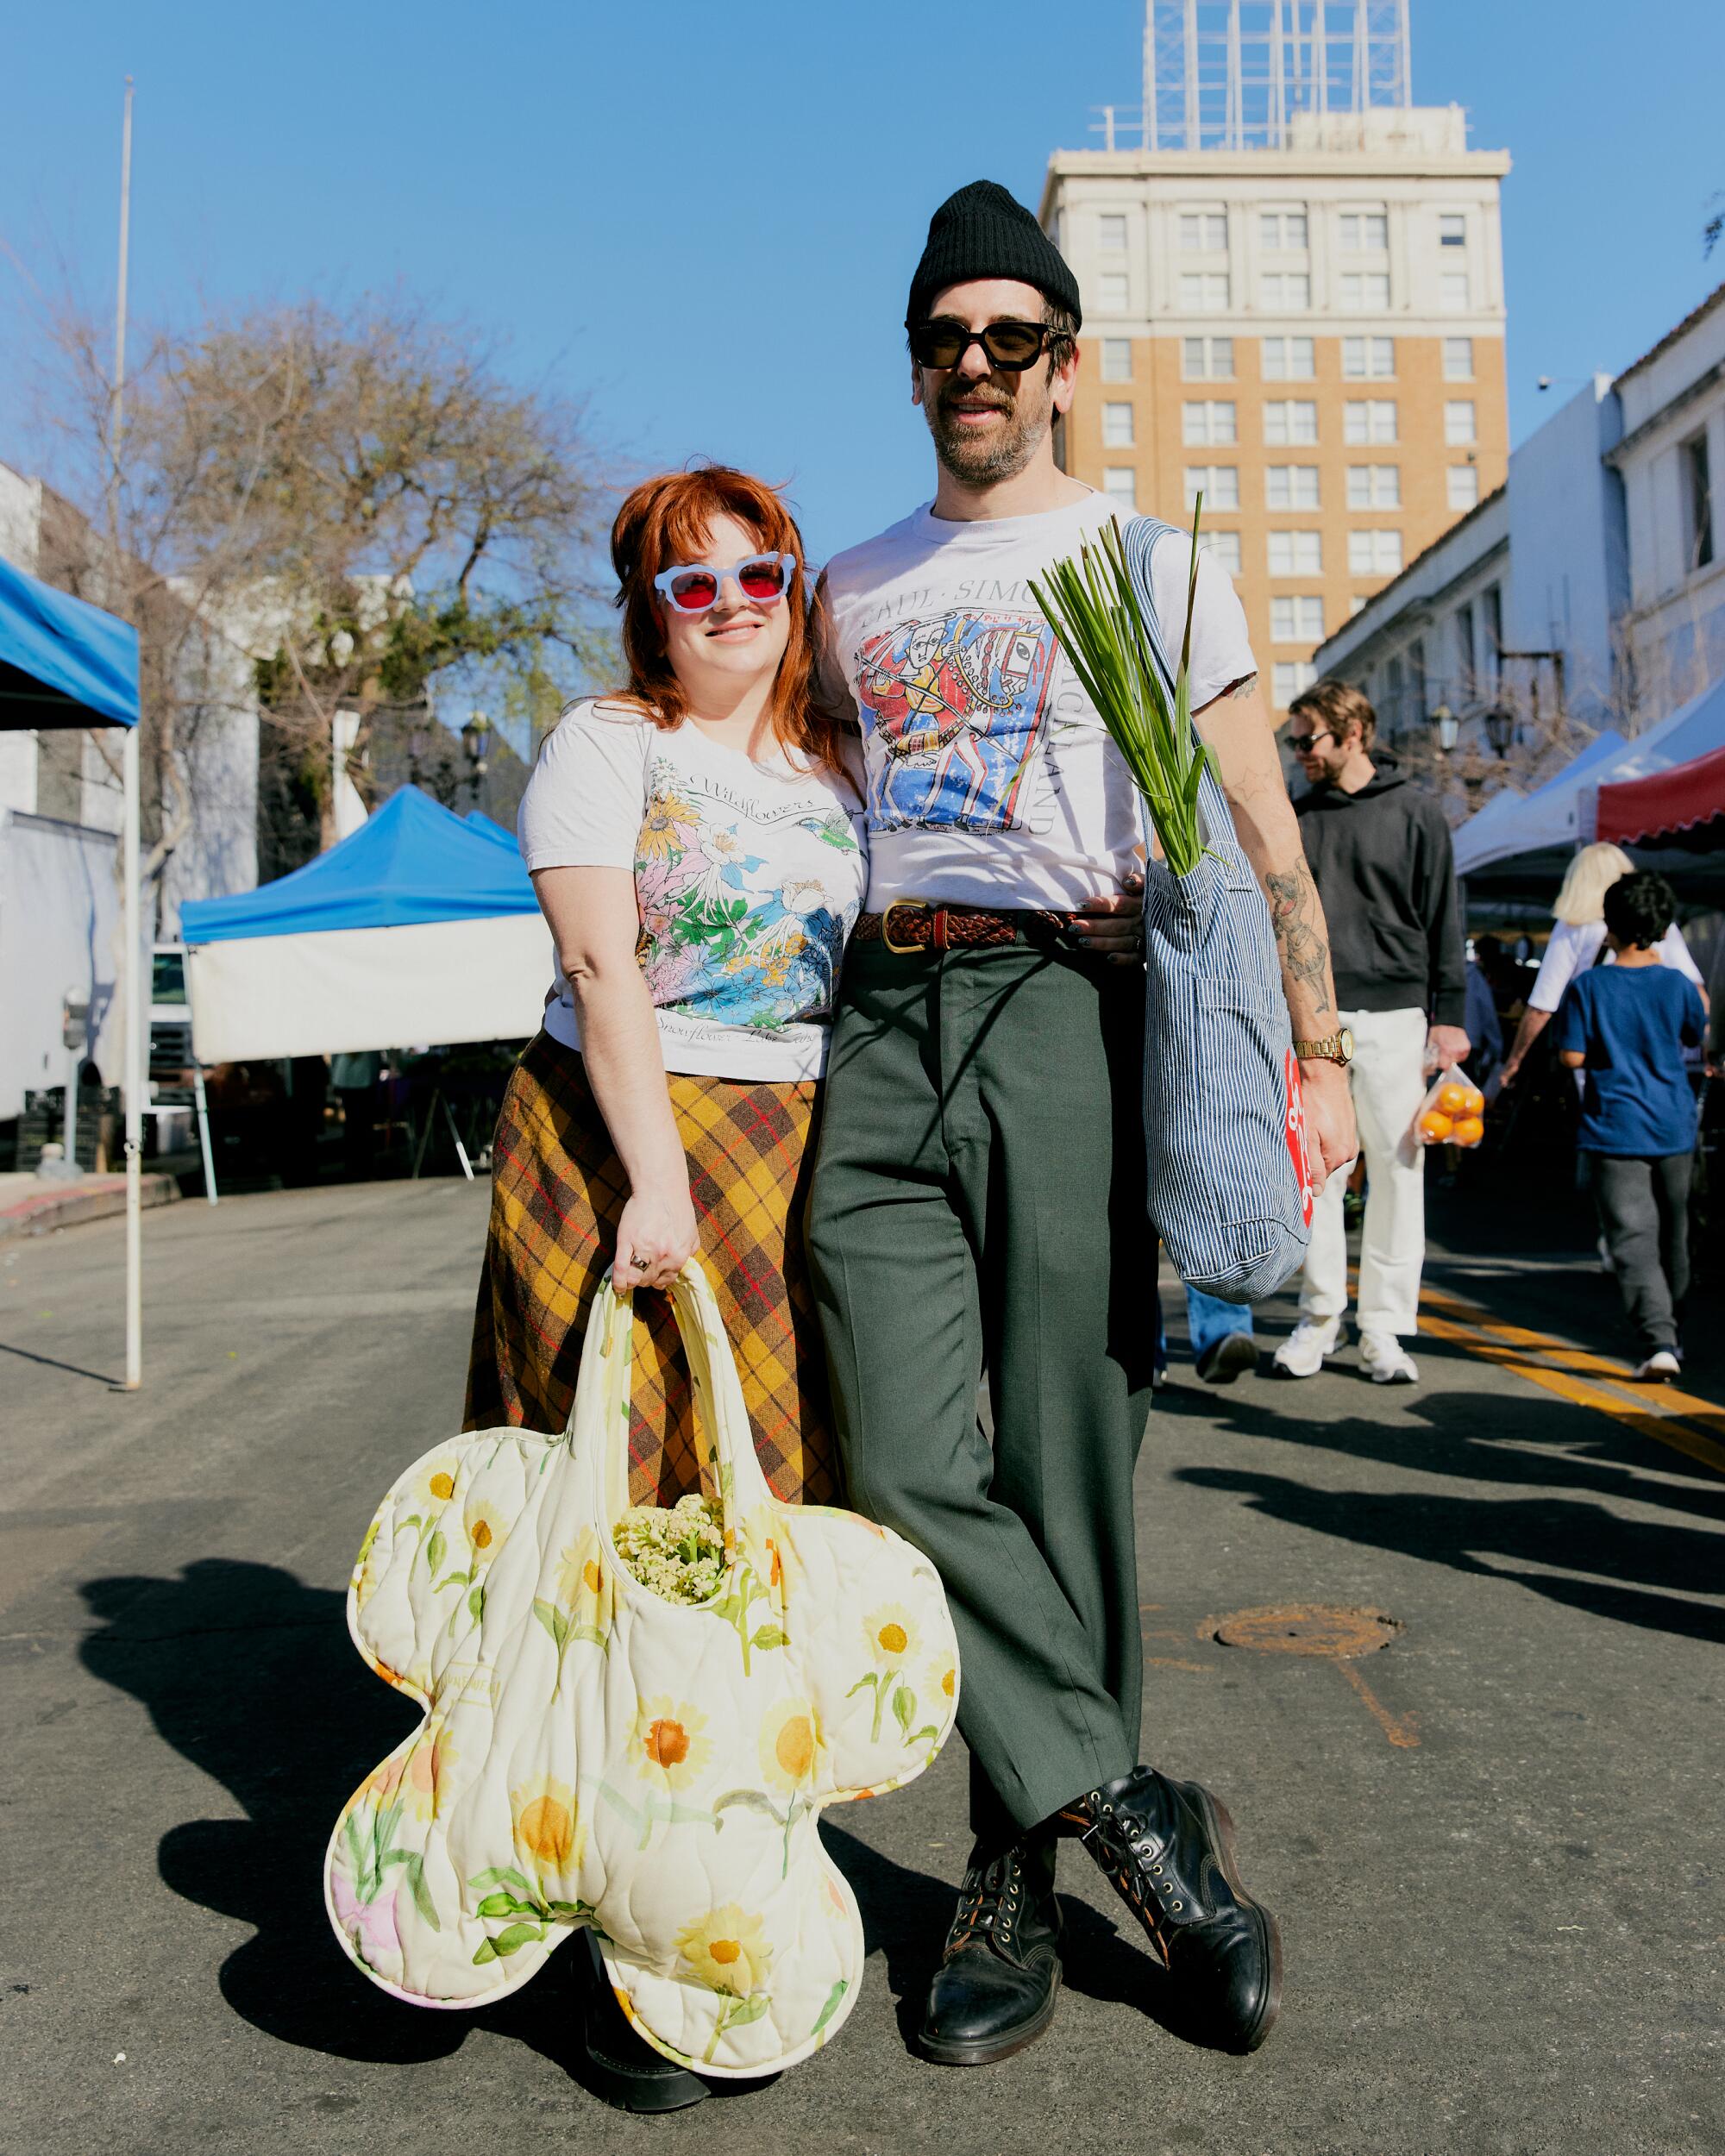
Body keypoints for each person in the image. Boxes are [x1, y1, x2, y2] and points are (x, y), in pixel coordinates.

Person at [806, 178, 1357, 2070]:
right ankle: (1132, 1805)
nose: (974, 365)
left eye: (1008, 338)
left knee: (1062, 1451)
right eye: (943, 340)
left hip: (1066, 1000)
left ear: (1060, 363)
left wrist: (1317, 1051)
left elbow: (1259, 821)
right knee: (883, 1445)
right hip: (881, 1012)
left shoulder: (1147, 559)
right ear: (913, 367)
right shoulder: (851, 586)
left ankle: (1013, 1869)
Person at [464, 465, 865, 2113]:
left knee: (749, 1513)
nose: (732, 607)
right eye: (691, 585)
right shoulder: (602, 747)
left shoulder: (840, 760)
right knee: (606, 1517)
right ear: (650, 606)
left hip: (790, 1139)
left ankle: (718, 1889)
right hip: (615, 1131)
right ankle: (593, 1932)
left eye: (758, 572)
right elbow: (601, 964)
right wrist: (652, 1179)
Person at [1272, 680, 1467, 1387]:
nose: (1299, 754)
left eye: (1308, 740)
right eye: (1294, 742)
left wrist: (1451, 1020)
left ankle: (1384, 1327)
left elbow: (1447, 918)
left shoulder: (1417, 813)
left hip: (1394, 1016)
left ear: (1354, 732)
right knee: (1318, 1172)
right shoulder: (1293, 819)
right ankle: (1319, 1316)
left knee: (1398, 1172)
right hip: (1314, 1018)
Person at [1554, 873, 1705, 1382]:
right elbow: (1693, 1032)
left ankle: (1657, 1339)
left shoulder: (1588, 987)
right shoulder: (1678, 984)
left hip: (1614, 1125)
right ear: (1663, 928)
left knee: (1633, 1237)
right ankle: (1674, 1334)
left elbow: (1572, 1053)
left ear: (1609, 928)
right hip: (1675, 1123)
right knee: (1675, 1234)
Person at [1499, 842, 1708, 1091]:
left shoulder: (1574, 928)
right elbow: (1698, 997)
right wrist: (1708, 1049)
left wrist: (1514, 1061)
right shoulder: (1658, 924)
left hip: (1601, 1072)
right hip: (1662, 1071)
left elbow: (1543, 1006)